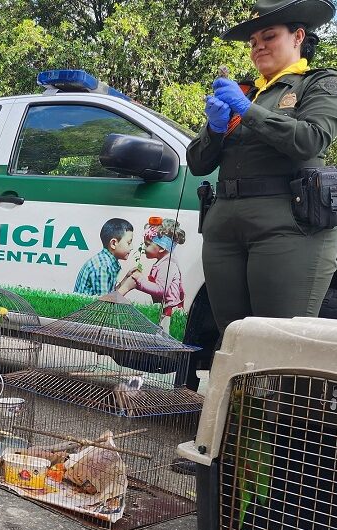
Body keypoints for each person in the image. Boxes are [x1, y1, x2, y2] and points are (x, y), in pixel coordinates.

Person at [187, 0, 337, 335]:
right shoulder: (246, 92)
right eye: (253, 42)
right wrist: (214, 129)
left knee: (276, 339)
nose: (258, 48)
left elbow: (311, 140)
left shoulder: (318, 83)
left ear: (298, 37)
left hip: (287, 224)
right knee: (233, 337)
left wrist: (247, 110)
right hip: (224, 224)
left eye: (269, 37)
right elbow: (197, 162)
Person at [125, 219, 186, 333]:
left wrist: (140, 280)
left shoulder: (168, 265)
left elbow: (160, 290)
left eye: (147, 244)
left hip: (169, 312)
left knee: (165, 336)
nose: (143, 248)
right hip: (163, 309)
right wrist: (137, 283)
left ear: (162, 247)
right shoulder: (161, 262)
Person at [73, 218, 134, 296]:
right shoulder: (102, 266)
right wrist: (126, 288)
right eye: (129, 243)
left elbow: (110, 294)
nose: (131, 247)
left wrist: (126, 279)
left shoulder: (108, 262)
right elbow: (104, 304)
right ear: (113, 243)